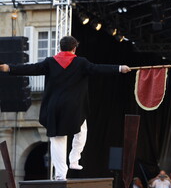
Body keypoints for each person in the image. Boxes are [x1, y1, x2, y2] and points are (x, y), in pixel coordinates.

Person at [0, 36, 131, 180]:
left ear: (59, 47)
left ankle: (60, 174)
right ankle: (74, 159)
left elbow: (31, 68)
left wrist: (9, 67)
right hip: (74, 108)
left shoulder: (50, 62)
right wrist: (119, 68)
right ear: (74, 48)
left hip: (54, 107)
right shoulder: (81, 62)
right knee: (81, 131)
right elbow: (98, 68)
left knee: (57, 140)